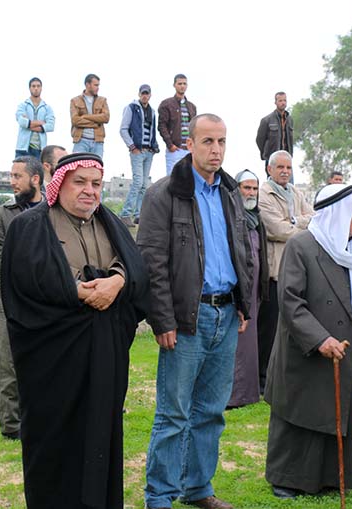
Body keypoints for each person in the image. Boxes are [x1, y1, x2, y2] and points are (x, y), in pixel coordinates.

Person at [1, 152, 149, 509]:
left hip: (103, 356)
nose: (89, 191)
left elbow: (137, 269)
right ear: (59, 183)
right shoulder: (30, 226)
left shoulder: (110, 223)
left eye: (96, 184)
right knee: (55, 446)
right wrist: (75, 291)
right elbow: (24, 282)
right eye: (79, 182)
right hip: (53, 363)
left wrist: (117, 281)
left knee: (101, 438)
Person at [138, 114, 253, 509]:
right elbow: (151, 262)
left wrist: (243, 302)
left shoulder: (230, 192)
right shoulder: (164, 194)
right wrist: (162, 319)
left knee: (211, 412)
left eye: (221, 141)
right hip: (187, 319)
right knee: (173, 414)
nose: (216, 149)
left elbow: (242, 250)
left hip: (226, 312)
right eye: (207, 141)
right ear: (189, 144)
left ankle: (198, 488)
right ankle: (159, 496)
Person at [265, 183, 352, 499]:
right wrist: (320, 339)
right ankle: (287, 478)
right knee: (299, 414)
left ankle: (331, 476)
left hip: (344, 348)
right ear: (337, 214)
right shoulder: (301, 246)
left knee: (334, 412)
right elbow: (290, 301)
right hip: (305, 349)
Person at [0, 155, 45, 440]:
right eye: (10, 176)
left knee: (46, 363)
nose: (11, 181)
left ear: (35, 179)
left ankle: (42, 419)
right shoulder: (2, 214)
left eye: (17, 176)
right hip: (10, 300)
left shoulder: (54, 209)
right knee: (8, 364)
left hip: (48, 301)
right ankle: (12, 426)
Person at [257, 150, 314, 392]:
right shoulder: (263, 194)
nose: (284, 172)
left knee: (292, 328)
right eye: (280, 167)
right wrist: (299, 223)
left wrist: (293, 221)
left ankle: (283, 377)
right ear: (269, 169)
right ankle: (262, 379)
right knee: (268, 330)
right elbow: (277, 230)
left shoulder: (296, 192)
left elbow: (314, 218)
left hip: (296, 271)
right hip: (275, 271)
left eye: (288, 168)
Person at [227, 170, 268, 409]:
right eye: (247, 188)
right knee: (236, 341)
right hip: (237, 287)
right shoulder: (231, 215)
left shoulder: (256, 217)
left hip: (255, 288)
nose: (251, 193)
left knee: (249, 342)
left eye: (254, 189)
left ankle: (247, 394)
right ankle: (232, 395)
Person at [119, 84, 159, 226]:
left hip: (149, 151)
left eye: (147, 93)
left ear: (150, 95)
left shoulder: (152, 111)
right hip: (137, 151)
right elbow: (123, 129)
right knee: (137, 182)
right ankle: (125, 214)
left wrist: (154, 148)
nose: (145, 96)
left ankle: (138, 214)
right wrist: (132, 146)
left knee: (144, 185)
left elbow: (152, 130)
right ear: (139, 94)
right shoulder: (131, 108)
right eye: (143, 93)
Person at [158, 74, 197, 175]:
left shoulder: (192, 107)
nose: (182, 86)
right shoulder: (166, 104)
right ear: (174, 85)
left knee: (189, 179)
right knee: (172, 179)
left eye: (184, 84)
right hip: (175, 150)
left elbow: (195, 128)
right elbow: (162, 126)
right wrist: (170, 145)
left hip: (189, 150)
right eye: (179, 84)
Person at [70, 74, 110, 157]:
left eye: (98, 85)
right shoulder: (74, 100)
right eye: (95, 85)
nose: (98, 88)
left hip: (97, 142)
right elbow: (75, 120)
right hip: (80, 141)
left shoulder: (102, 100)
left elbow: (106, 118)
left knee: (97, 165)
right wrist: (95, 123)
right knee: (78, 165)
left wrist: (85, 116)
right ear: (87, 85)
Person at [15, 77, 55, 158]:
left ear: (41, 88)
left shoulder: (47, 108)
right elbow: (22, 122)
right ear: (29, 88)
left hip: (40, 149)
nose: (36, 88)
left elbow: (51, 126)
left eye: (38, 86)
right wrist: (41, 123)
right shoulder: (23, 105)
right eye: (33, 86)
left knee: (39, 167)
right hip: (23, 148)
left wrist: (29, 124)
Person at [256, 92, 294, 169]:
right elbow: (259, 140)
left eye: (285, 100)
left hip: (286, 158)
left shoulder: (290, 120)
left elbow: (291, 140)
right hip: (272, 159)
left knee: (289, 177)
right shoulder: (266, 120)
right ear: (275, 102)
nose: (283, 103)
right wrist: (267, 154)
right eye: (280, 101)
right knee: (272, 177)